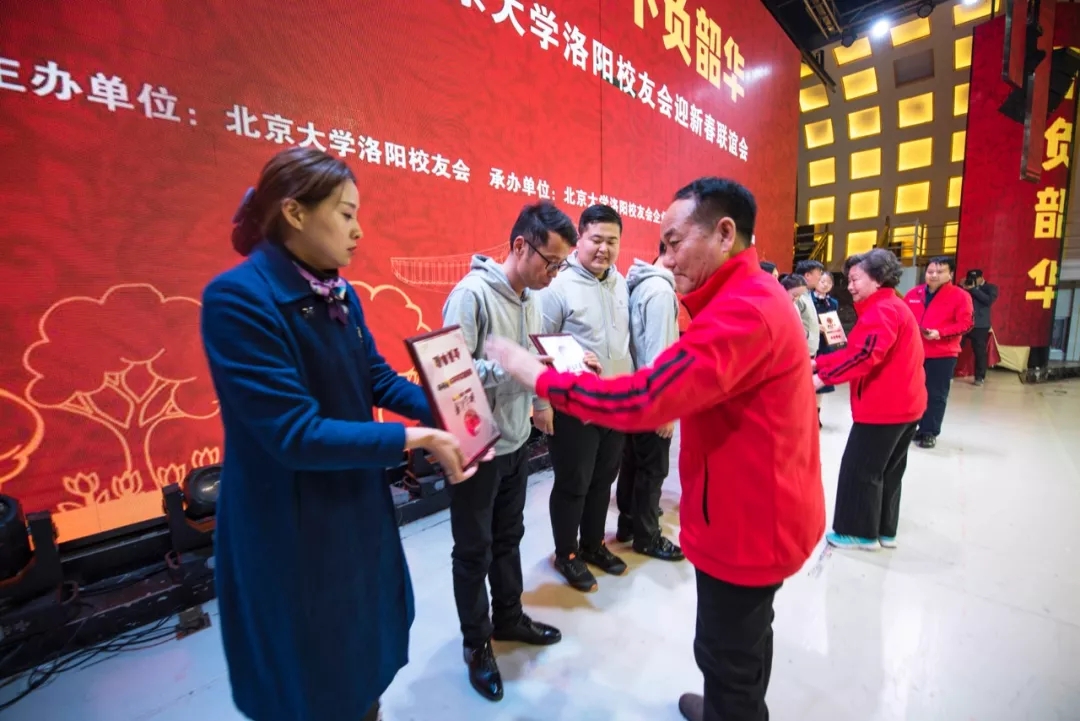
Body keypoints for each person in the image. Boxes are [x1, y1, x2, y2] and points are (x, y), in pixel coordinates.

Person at [485, 177, 825, 721]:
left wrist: (539, 377)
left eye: (673, 243)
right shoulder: (750, 296)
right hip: (752, 506)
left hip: (748, 521)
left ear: (724, 234)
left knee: (729, 652)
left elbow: (648, 394)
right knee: (742, 639)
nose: (665, 260)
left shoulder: (742, 311)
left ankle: (731, 710)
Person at [200, 148, 485, 721]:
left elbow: (374, 376)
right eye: (346, 214)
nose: (359, 231)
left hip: (352, 503)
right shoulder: (238, 298)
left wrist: (449, 406)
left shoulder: (337, 291)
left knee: (360, 652)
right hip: (289, 521)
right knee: (310, 672)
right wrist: (415, 440)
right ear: (295, 213)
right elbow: (293, 434)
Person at [441, 201, 575, 702]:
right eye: (551, 262)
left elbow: (534, 357)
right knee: (472, 550)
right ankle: (476, 644)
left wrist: (541, 397)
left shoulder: (532, 298)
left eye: (561, 265)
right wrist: (521, 367)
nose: (554, 273)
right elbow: (452, 376)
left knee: (508, 536)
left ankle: (510, 616)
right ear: (520, 245)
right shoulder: (471, 295)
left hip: (517, 438)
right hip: (478, 447)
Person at [536, 204, 633, 592]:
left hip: (615, 402)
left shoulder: (621, 283)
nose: (604, 249)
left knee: (603, 480)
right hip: (573, 407)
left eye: (612, 241)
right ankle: (567, 553)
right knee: (573, 483)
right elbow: (538, 348)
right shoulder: (557, 288)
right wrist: (542, 404)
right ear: (580, 239)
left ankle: (593, 545)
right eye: (596, 239)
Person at [812, 250, 927, 550]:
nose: (849, 286)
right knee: (888, 472)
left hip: (884, 408)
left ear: (877, 279)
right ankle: (884, 530)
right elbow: (856, 351)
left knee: (861, 470)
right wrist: (817, 364)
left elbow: (864, 356)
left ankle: (859, 533)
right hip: (906, 406)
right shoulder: (892, 306)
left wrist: (821, 379)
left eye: (855, 280)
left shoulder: (882, 311)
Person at [615, 248, 684, 561]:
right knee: (652, 470)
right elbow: (659, 357)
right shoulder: (660, 291)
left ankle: (629, 524)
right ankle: (647, 536)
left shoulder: (639, 283)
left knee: (634, 463)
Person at [904, 256, 973, 449]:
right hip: (914, 352)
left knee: (935, 394)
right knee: (912, 392)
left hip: (943, 353)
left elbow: (966, 323)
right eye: (930, 271)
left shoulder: (960, 296)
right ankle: (913, 427)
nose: (933, 275)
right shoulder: (914, 293)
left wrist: (941, 333)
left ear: (950, 274)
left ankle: (929, 431)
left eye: (940, 272)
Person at [962, 269, 998, 386]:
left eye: (975, 278)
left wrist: (974, 289)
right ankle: (949, 374)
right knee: (954, 348)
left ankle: (979, 377)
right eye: (970, 278)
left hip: (980, 325)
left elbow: (988, 300)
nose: (972, 280)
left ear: (981, 277)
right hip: (963, 323)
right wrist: (961, 287)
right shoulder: (965, 287)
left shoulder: (990, 288)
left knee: (979, 352)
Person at [812, 273, 841, 403]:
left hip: (825, 343)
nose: (825, 285)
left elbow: (833, 322)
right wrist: (815, 327)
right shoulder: (808, 299)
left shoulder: (833, 303)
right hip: (811, 342)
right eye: (822, 281)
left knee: (821, 380)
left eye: (829, 283)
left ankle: (817, 411)